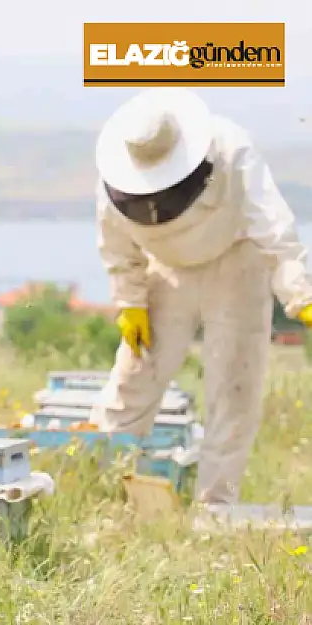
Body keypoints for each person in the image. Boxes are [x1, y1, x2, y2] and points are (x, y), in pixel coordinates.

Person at [88, 86, 312, 506]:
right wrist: (130, 302)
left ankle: (215, 509)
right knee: (134, 378)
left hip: (236, 264)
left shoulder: (232, 149)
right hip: (168, 271)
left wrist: (300, 293)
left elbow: (273, 226)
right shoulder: (116, 179)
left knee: (234, 389)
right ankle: (99, 491)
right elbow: (116, 245)